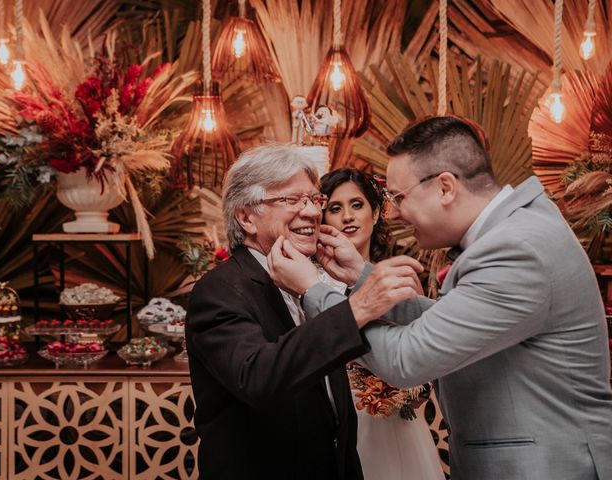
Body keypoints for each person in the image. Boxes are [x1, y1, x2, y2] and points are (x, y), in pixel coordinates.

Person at [268, 116, 612, 479]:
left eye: (399, 198)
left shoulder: (516, 249)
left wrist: (315, 292)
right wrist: (361, 274)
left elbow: (407, 359)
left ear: (445, 187)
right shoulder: (517, 230)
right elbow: (455, 319)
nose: (395, 213)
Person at [185, 144, 369, 480]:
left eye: (315, 199)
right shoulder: (220, 290)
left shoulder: (310, 278)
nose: (313, 212)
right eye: (292, 200)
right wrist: (353, 310)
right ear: (246, 217)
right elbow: (257, 377)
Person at [320, 168, 444, 480]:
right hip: (333, 422)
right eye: (335, 208)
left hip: (391, 423)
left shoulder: (398, 276)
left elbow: (425, 351)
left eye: (357, 205)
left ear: (375, 213)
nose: (347, 216)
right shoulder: (313, 289)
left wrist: (406, 389)